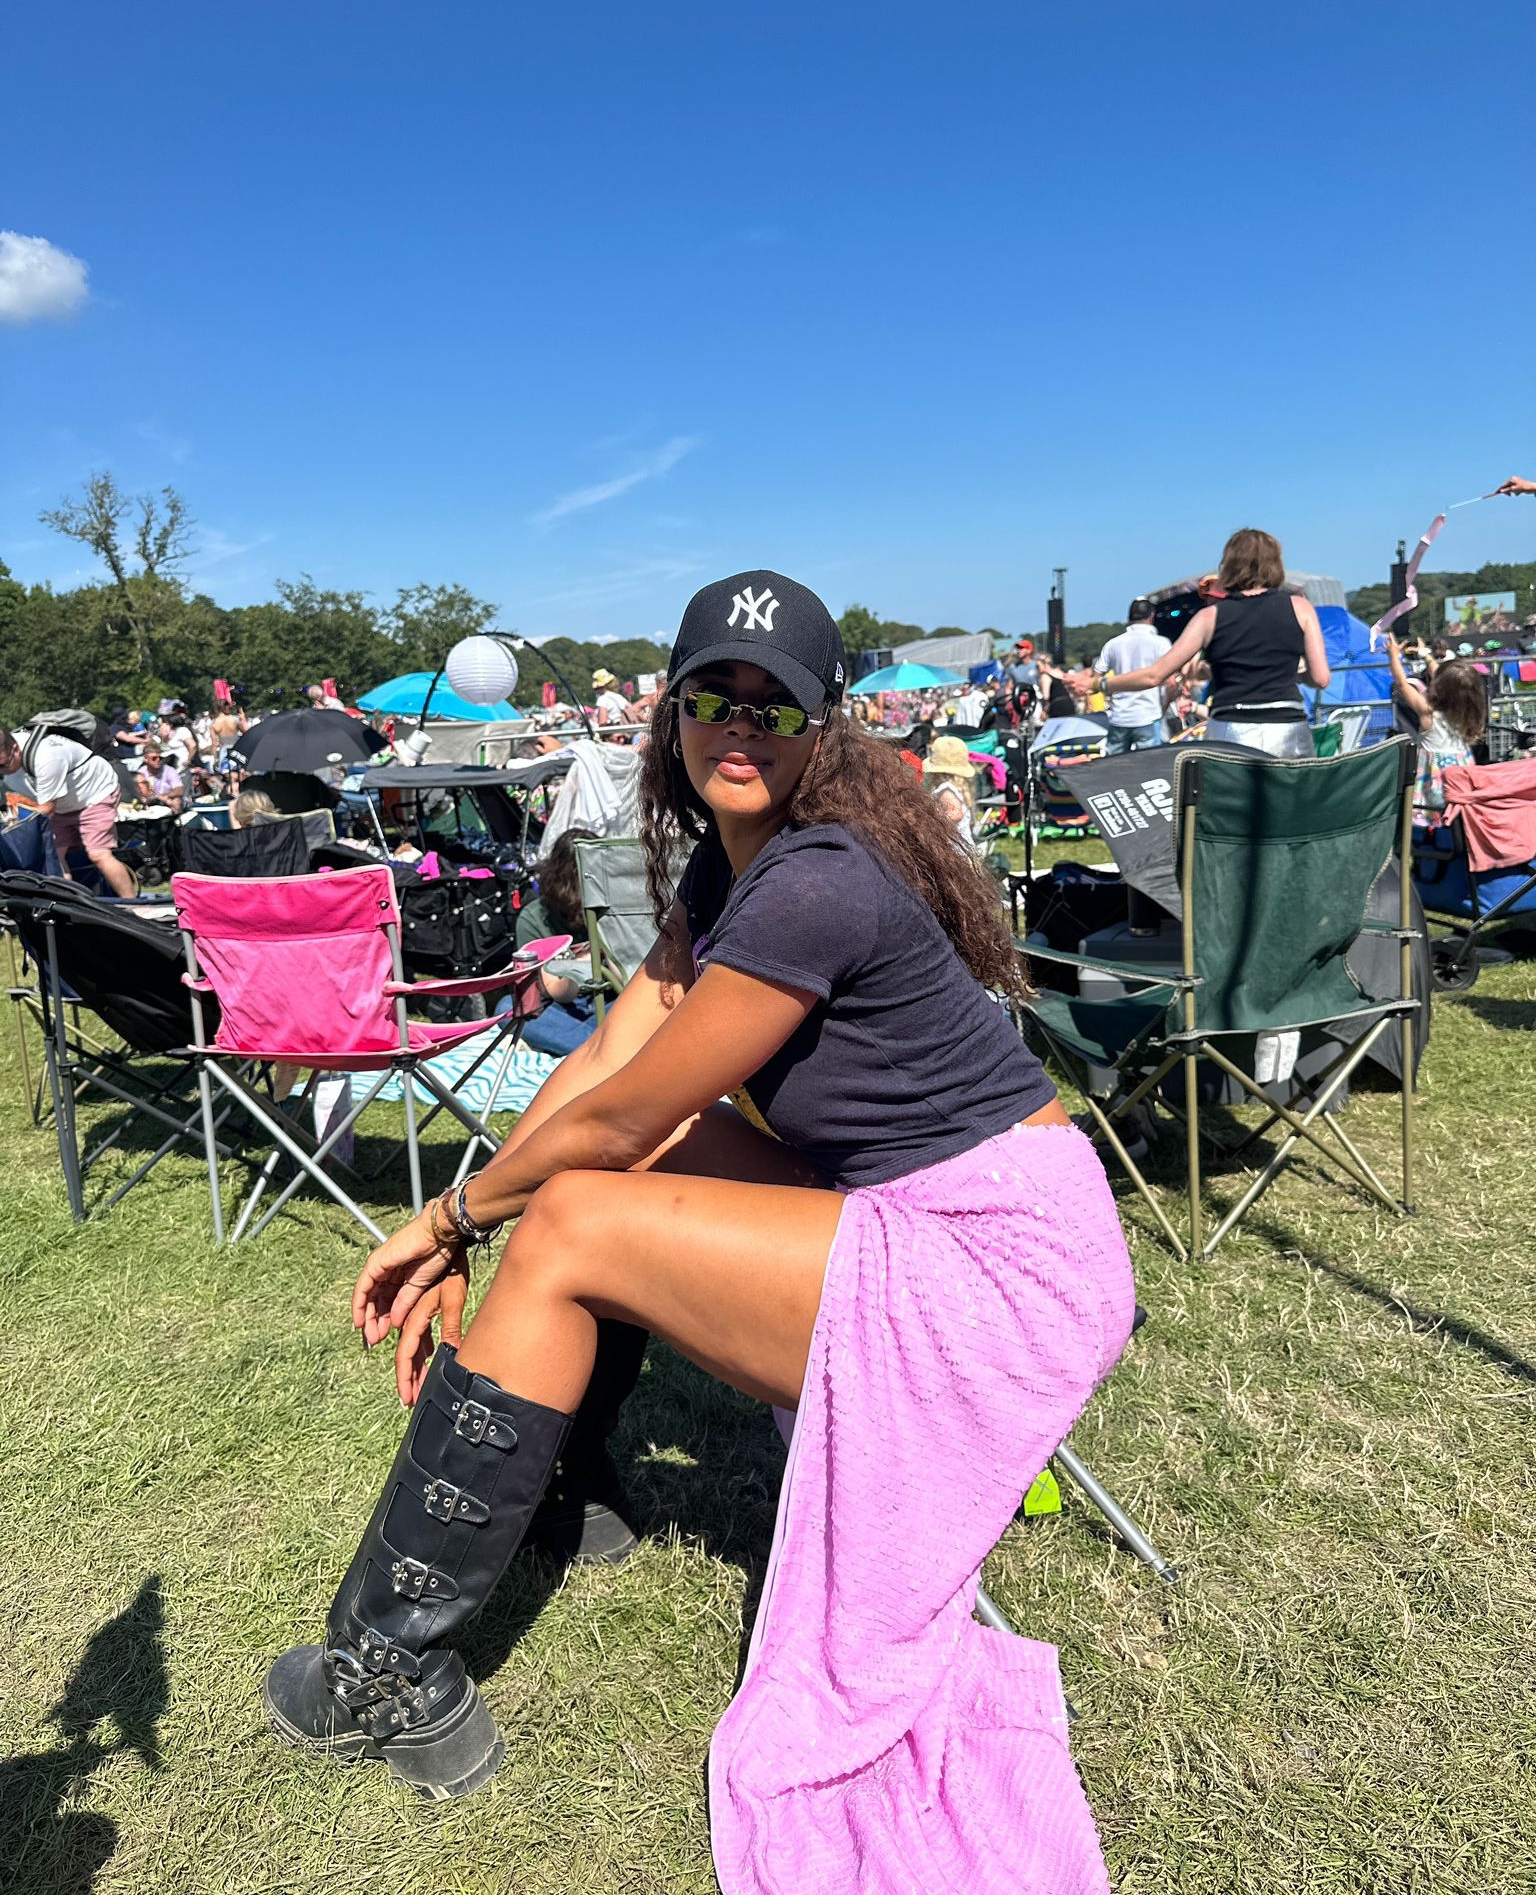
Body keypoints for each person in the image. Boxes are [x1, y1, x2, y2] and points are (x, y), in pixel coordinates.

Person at [261, 569, 1133, 1895]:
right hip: (920, 1212)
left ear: (821, 729)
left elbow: (615, 1128)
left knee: (576, 1217)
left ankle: (384, 1672)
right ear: (669, 715)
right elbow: (605, 1066)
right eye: (710, 696)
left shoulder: (815, 885)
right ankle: (576, 1493)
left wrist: (451, 1221)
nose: (738, 724)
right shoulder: (734, 875)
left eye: (772, 706)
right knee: (594, 1186)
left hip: (1000, 1265)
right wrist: (481, 1212)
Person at [1097, 527, 1330, 757]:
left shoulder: (1209, 617)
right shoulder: (1300, 608)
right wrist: (1291, 671)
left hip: (1231, 730)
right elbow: (1321, 678)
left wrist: (1100, 685)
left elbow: (1154, 676)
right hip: (1288, 729)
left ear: (1229, 565)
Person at [0, 723, 137, 897]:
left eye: (2, 765)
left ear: (15, 749)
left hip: (94, 794)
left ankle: (132, 904)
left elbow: (46, 809)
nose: (1, 772)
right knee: (54, 857)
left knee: (99, 854)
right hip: (62, 804)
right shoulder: (8, 761)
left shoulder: (46, 756)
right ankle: (67, 904)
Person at [508, 830, 599, 1057]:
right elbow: (559, 992)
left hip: (604, 1000)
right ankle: (600, 1048)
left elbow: (626, 980)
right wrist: (590, 958)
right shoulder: (534, 919)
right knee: (509, 1009)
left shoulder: (607, 912)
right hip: (557, 1007)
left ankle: (594, 1047)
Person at [1384, 634, 1488, 822]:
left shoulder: (1428, 712)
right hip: (1462, 770)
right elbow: (1441, 675)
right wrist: (1425, 654)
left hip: (1437, 775)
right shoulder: (1468, 713)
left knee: (1432, 814)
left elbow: (1401, 683)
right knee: (1459, 812)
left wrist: (1393, 655)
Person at [1095, 597, 1172, 754]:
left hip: (1119, 717)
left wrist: (1108, 697)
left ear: (1129, 618)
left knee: (1115, 766)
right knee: (1149, 766)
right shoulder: (1161, 643)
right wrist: (1164, 708)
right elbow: (1171, 682)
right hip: (1148, 715)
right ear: (1152, 616)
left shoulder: (1113, 644)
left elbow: (1095, 678)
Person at [134, 742, 186, 812]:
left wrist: (164, 796)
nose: (158, 760)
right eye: (154, 758)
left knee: (176, 801)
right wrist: (157, 797)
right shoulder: (141, 772)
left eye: (160, 758)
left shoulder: (169, 770)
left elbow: (179, 789)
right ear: (146, 759)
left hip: (167, 798)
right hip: (150, 799)